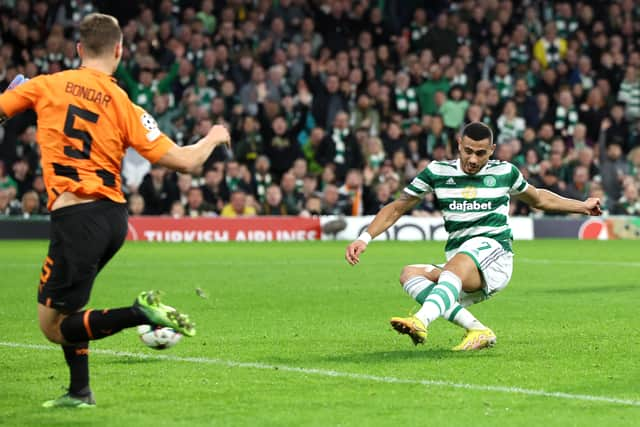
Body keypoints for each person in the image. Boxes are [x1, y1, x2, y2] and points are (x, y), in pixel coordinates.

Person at [0, 14, 230, 408]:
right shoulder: (126, 105)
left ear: (78, 50)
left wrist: (10, 95)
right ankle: (80, 391)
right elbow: (186, 162)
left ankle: (140, 313)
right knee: (72, 310)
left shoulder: (46, 86)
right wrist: (211, 137)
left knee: (53, 328)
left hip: (76, 218)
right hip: (113, 219)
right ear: (119, 51)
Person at [345, 122, 601, 351]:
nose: (473, 159)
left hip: (495, 255)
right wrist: (364, 238)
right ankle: (478, 329)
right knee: (409, 274)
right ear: (459, 145)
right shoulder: (437, 172)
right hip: (460, 265)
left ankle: (420, 321)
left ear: (492, 150)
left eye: (480, 153)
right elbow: (397, 207)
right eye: (467, 151)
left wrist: (581, 206)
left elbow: (539, 199)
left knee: (463, 257)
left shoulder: (505, 173)